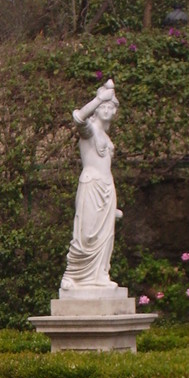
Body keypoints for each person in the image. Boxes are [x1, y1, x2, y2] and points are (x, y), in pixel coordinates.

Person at [61, 79, 123, 292]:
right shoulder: (89, 130)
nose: (106, 110)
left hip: (107, 188)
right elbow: (78, 118)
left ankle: (100, 275)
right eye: (102, 107)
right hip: (91, 186)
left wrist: (111, 206)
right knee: (85, 235)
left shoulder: (105, 135)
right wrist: (98, 99)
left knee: (105, 236)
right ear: (96, 110)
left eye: (109, 106)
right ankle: (72, 276)